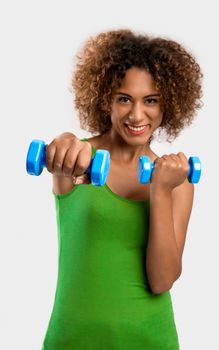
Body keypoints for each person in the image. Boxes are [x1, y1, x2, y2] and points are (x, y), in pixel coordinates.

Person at [41, 29, 203, 349]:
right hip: (72, 340)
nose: (137, 115)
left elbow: (161, 281)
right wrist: (62, 141)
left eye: (151, 100)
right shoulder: (78, 161)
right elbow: (63, 153)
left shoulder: (177, 181)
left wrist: (160, 191)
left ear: (167, 104)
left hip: (149, 340)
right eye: (124, 98)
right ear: (106, 99)